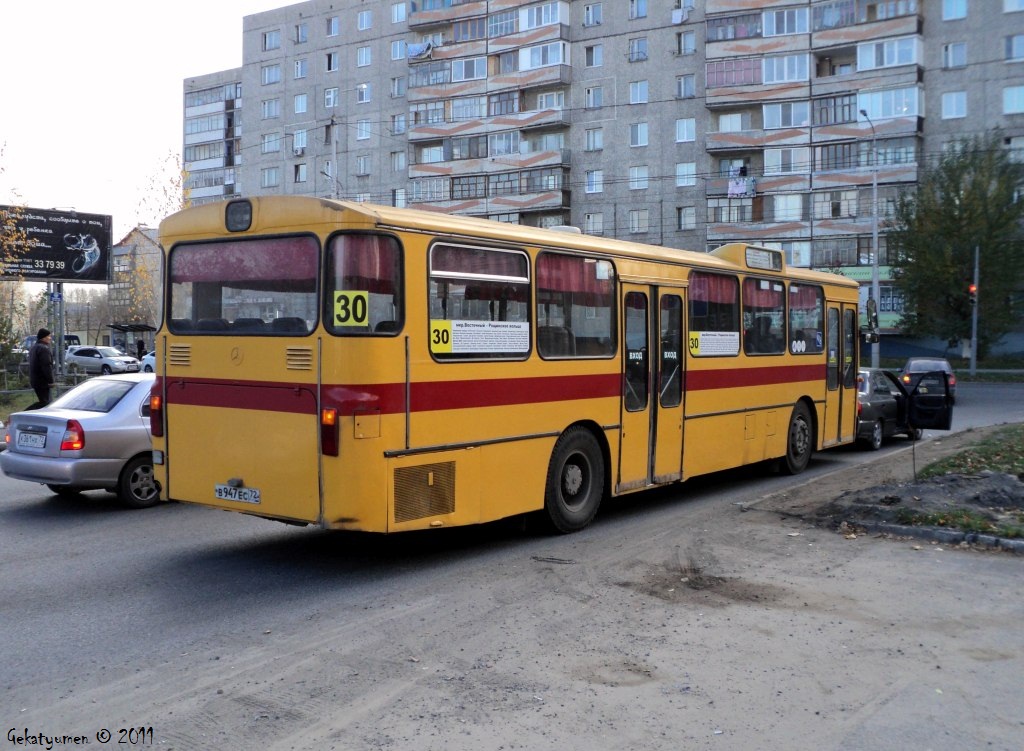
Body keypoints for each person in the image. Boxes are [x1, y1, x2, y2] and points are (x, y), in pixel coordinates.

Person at [27, 327, 56, 410]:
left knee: (44, 402)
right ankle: (24, 413)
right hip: (42, 381)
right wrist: (51, 381)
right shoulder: (44, 349)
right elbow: (47, 365)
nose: (50, 338)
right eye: (49, 336)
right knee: (45, 403)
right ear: (44, 337)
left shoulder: (34, 347)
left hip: (35, 380)